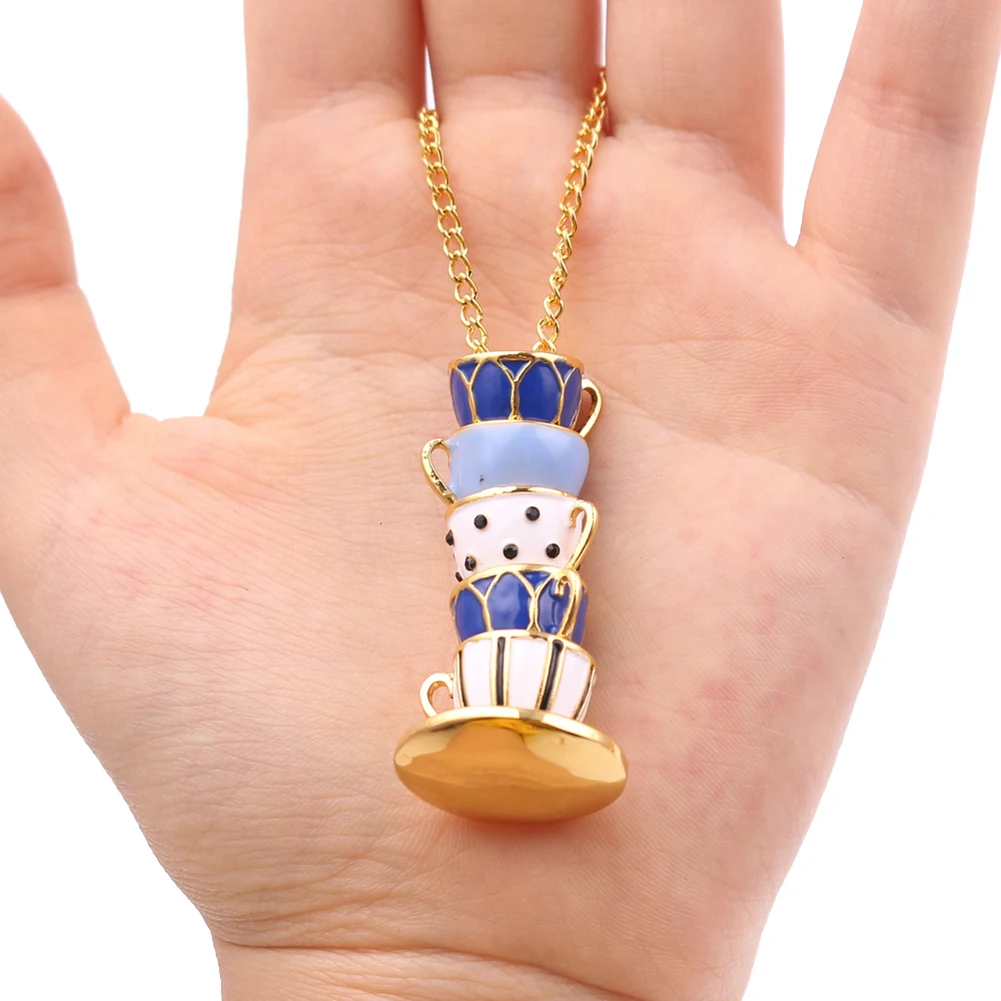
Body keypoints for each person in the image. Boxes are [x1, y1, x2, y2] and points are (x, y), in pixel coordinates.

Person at [0, 2, 997, 998]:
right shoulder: (486, 506)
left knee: (525, 625)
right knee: (502, 620)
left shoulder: (550, 513)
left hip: (536, 700)